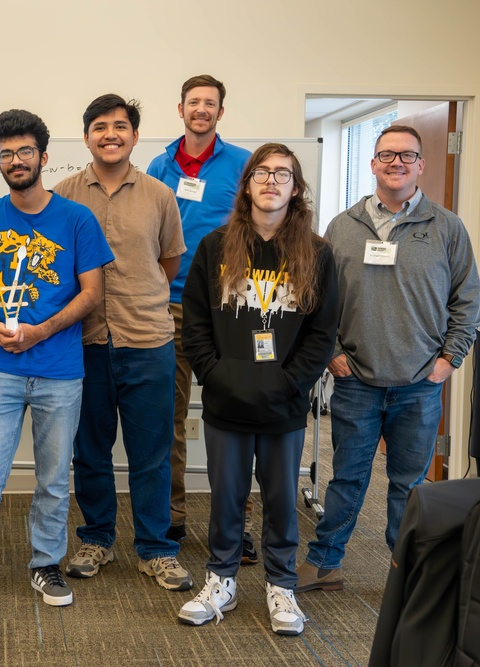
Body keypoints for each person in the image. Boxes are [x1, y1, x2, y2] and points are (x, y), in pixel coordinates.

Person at [0, 109, 113, 612]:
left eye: (25, 151)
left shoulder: (77, 219)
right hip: (0, 370)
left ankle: (45, 564)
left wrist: (41, 331)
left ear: (43, 157)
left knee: (55, 479)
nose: (16, 160)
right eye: (6, 153)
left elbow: (92, 292)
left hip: (61, 371)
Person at [298, 125, 480, 593]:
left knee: (409, 485)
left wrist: (449, 360)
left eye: (407, 155)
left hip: (420, 382)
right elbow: (317, 298)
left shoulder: (446, 227)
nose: (396, 162)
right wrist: (332, 354)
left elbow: (467, 300)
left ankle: (408, 574)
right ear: (373, 163)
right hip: (356, 378)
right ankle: (324, 564)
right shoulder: (342, 226)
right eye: (386, 155)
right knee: (348, 479)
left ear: (422, 165)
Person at [179, 143, 339, 633]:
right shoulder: (214, 246)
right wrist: (216, 374)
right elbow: (196, 324)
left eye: (283, 174)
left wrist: (290, 382)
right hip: (227, 399)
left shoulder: (317, 253)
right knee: (226, 496)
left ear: (296, 188)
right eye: (262, 173)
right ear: (247, 184)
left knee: (280, 499)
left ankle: (281, 587)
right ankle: (221, 580)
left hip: (285, 403)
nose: (272, 181)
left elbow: (323, 332)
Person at [53, 94, 192, 591]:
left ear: (134, 135)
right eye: (99, 126)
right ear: (86, 135)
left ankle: (156, 549)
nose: (109, 134)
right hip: (84, 342)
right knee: (90, 450)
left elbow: (169, 264)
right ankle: (96, 539)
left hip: (149, 340)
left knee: (151, 452)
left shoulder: (159, 194)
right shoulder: (63, 196)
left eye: (120, 126)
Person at [146, 75, 256, 557]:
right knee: (167, 418)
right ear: (181, 108)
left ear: (220, 112)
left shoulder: (241, 165)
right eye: (194, 102)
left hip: (226, 306)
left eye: (210, 104)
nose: (202, 110)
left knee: (234, 416)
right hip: (167, 306)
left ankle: (235, 523)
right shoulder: (159, 164)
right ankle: (171, 518)